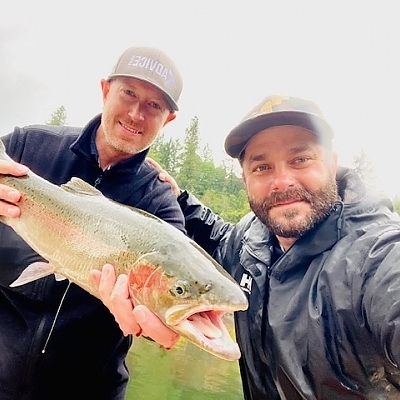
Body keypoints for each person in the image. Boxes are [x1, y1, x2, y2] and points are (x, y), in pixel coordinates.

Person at [105, 95, 400, 399]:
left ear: (332, 163)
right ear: (244, 178)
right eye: (262, 167)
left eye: (300, 159)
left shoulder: (378, 258)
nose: (282, 181)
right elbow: (221, 240)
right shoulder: (251, 242)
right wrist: (179, 199)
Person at [0, 45, 185, 400]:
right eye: (128, 92)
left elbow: (164, 302)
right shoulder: (27, 146)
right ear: (105, 90)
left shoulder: (161, 204)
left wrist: (159, 325)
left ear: (168, 120)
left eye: (154, 106)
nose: (135, 113)